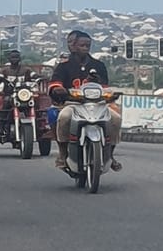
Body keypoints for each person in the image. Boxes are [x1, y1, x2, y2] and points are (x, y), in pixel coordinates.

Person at [48, 30, 122, 171]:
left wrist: (108, 92)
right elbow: (55, 84)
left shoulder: (98, 65)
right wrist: (59, 89)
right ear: (74, 46)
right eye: (82, 45)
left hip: (97, 104)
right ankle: (63, 154)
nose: (85, 48)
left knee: (116, 119)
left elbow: (105, 86)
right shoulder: (64, 66)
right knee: (63, 117)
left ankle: (110, 154)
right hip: (73, 104)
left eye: (88, 45)